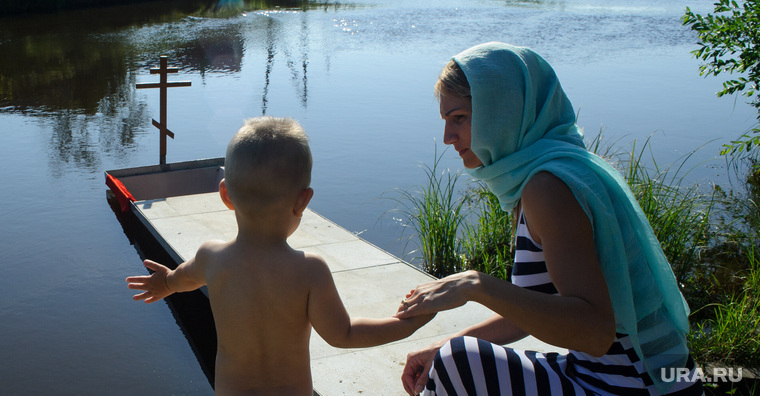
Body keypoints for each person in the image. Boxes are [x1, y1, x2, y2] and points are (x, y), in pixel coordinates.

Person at [395, 42, 704, 395]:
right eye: (446, 121)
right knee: (450, 356)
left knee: (457, 363)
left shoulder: (547, 187)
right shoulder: (565, 167)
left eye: (459, 118)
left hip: (633, 384)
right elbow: (530, 307)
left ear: (503, 111)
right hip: (652, 379)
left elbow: (594, 331)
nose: (449, 137)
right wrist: (443, 343)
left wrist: (475, 284)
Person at [126, 116, 434, 395]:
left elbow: (181, 280)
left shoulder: (211, 257)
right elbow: (345, 334)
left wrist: (164, 282)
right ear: (303, 201)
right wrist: (408, 324)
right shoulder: (309, 271)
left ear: (225, 195)